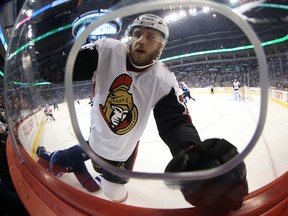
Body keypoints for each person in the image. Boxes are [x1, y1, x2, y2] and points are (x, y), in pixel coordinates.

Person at [36, 14, 248, 212]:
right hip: (95, 139)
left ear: (161, 46)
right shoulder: (105, 51)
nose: (141, 40)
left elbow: (175, 123)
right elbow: (55, 70)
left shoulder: (163, 80)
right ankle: (63, 159)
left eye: (150, 37)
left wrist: (192, 153)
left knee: (113, 192)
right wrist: (53, 20)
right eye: (137, 34)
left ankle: (70, 161)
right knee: (91, 148)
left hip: (122, 154)